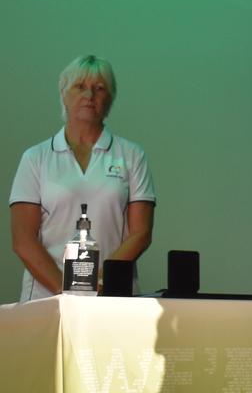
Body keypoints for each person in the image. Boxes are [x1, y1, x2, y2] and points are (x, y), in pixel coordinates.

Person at [9, 54, 156, 301]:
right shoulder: (35, 158)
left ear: (110, 99)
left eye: (99, 88)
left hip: (112, 296)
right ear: (63, 94)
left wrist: (97, 282)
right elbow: (23, 239)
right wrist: (66, 289)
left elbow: (140, 233)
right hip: (46, 299)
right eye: (80, 87)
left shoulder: (132, 155)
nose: (89, 95)